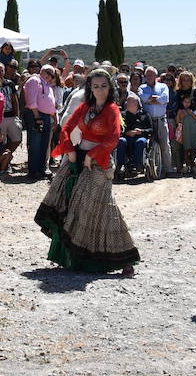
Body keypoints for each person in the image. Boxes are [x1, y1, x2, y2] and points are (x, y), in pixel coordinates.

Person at [35, 68, 139, 276]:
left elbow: (113, 138)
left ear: (110, 88)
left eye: (103, 86)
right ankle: (73, 257)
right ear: (90, 88)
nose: (99, 90)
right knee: (68, 201)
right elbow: (66, 129)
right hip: (78, 158)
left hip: (98, 162)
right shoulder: (85, 107)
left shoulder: (112, 111)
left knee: (101, 208)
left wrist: (92, 155)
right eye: (95, 86)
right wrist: (70, 149)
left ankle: (124, 258)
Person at [23, 59, 56, 181]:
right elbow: (31, 101)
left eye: (51, 74)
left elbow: (51, 104)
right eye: (47, 72)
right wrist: (37, 117)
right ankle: (34, 171)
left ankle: (41, 170)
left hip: (46, 116)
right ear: (42, 71)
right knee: (35, 144)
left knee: (43, 144)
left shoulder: (47, 85)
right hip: (36, 115)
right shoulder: (34, 80)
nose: (49, 76)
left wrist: (54, 118)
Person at [138, 66, 172, 175]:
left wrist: (151, 100)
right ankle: (150, 168)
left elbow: (165, 99)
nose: (149, 77)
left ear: (156, 76)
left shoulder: (163, 86)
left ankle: (167, 169)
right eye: (147, 75)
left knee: (164, 145)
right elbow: (143, 98)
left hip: (161, 119)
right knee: (149, 145)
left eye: (151, 75)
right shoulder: (141, 88)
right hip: (147, 121)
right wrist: (158, 99)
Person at [115, 93, 152, 178]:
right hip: (127, 137)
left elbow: (151, 129)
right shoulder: (122, 115)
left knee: (140, 141)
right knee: (121, 141)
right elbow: (118, 129)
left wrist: (141, 131)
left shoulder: (145, 115)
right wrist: (126, 132)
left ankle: (137, 164)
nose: (126, 104)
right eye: (127, 102)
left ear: (136, 104)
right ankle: (121, 165)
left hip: (140, 136)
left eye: (129, 102)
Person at [173, 71, 196, 175]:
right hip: (182, 120)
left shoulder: (195, 92)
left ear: (191, 80)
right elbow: (177, 106)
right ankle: (186, 165)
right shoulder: (178, 92)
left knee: (193, 144)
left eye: (188, 79)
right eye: (183, 79)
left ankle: (194, 165)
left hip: (192, 119)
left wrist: (188, 110)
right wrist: (182, 112)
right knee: (185, 145)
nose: (186, 82)